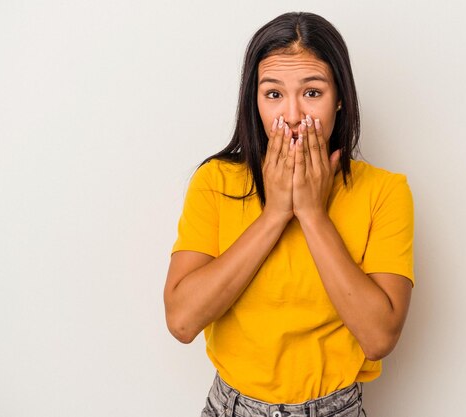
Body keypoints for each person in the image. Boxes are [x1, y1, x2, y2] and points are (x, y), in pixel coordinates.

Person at [164, 11, 414, 417]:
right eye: (274, 94)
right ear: (254, 101)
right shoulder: (216, 181)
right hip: (232, 406)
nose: (293, 116)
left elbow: (379, 337)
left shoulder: (384, 192)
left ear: (341, 100)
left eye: (312, 93)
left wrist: (312, 214)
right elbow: (181, 322)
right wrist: (276, 213)